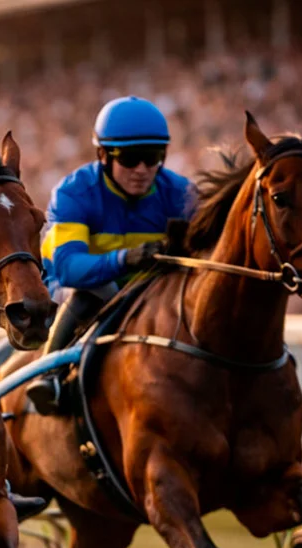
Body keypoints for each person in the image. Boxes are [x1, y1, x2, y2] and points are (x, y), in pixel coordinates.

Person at [23, 96, 194, 416]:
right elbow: (68, 267)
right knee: (89, 292)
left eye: (153, 157)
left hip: (152, 294)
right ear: (102, 155)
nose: (142, 170)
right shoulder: (74, 193)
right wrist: (123, 260)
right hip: (79, 291)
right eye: (130, 158)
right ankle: (50, 376)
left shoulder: (181, 194)